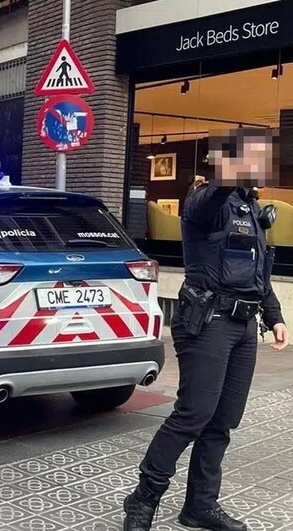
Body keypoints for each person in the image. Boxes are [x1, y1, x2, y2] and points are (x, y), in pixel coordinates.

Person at [123, 128, 289, 531]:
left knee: (223, 420)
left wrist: (275, 315)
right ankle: (143, 499)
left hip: (244, 326)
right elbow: (216, 192)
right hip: (208, 321)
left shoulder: (251, 209)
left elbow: (258, 273)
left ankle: (199, 506)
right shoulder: (205, 200)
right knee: (193, 414)